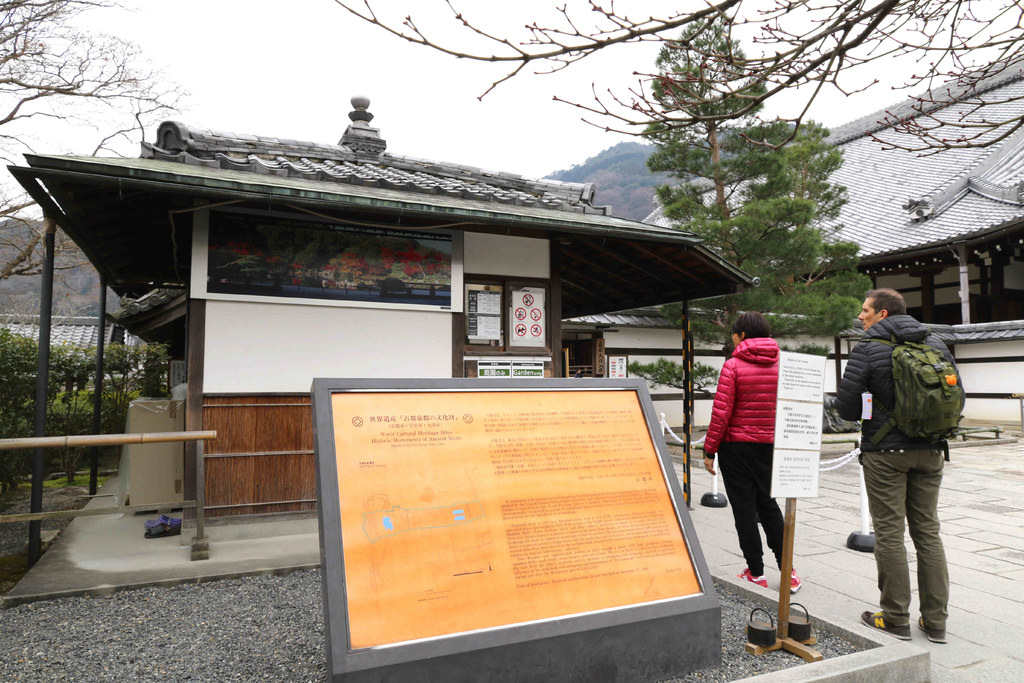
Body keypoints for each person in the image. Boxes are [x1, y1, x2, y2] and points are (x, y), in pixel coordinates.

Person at [835, 288, 960, 644]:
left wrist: (872, 410)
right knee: (928, 533)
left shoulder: (869, 349)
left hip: (885, 454)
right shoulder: (935, 345)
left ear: (883, 314)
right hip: (932, 450)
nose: (860, 317)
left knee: (889, 534)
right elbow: (956, 395)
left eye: (865, 311)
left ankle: (894, 617)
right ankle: (935, 621)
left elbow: (845, 408)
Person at [703, 311, 801, 594]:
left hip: (737, 447)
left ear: (741, 336)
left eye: (733, 333)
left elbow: (722, 413)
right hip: (771, 446)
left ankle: (755, 572)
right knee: (769, 505)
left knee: (744, 509)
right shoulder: (784, 364)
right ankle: (789, 573)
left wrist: (710, 450)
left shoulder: (733, 365)